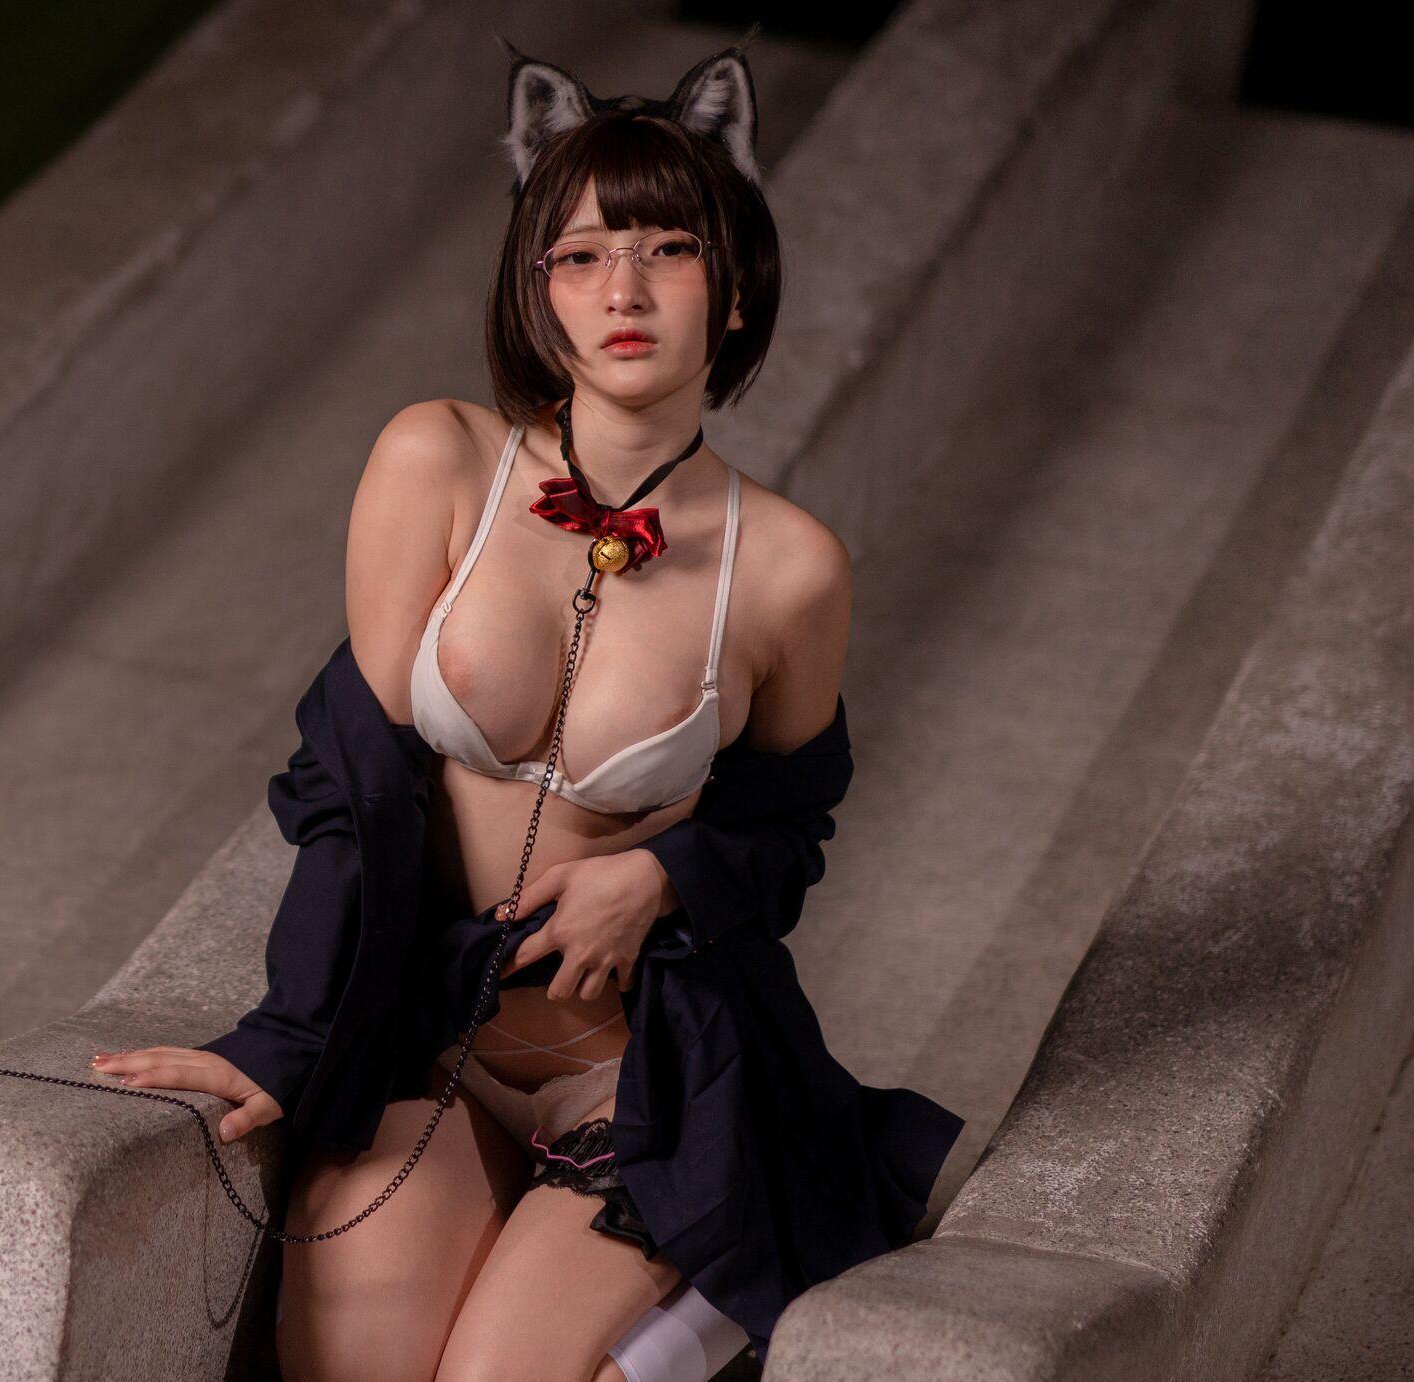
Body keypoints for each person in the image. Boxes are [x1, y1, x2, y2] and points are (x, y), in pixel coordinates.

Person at [92, 38, 958, 1382]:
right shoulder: (437, 461)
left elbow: (787, 828)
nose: (624, 288)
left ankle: (704, 1297)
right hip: (429, 1043)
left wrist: (661, 875)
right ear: (534, 289)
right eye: (580, 254)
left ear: (735, 290)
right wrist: (292, 1034)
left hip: (639, 1076)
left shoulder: (791, 568)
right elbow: (354, 784)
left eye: (669, 249)